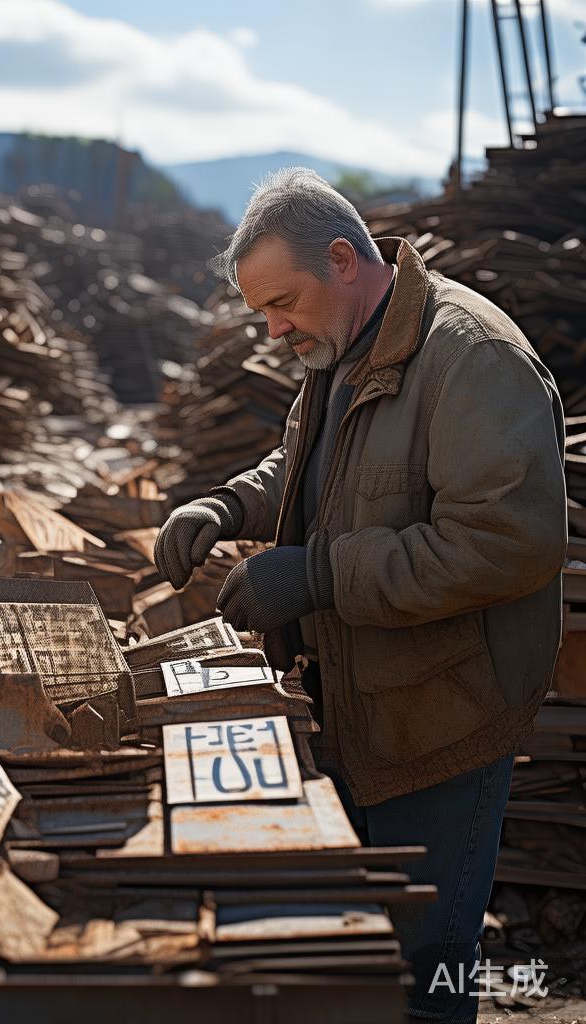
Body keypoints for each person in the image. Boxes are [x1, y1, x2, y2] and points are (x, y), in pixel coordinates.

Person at [154, 167, 566, 1024]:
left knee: (428, 972)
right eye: (259, 311)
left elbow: (509, 544)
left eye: (281, 302)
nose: (271, 330)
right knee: (368, 960)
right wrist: (226, 503)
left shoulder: (471, 357)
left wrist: (314, 576)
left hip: (444, 718)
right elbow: (310, 468)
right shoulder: (342, 344)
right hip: (361, 705)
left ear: (343, 258)